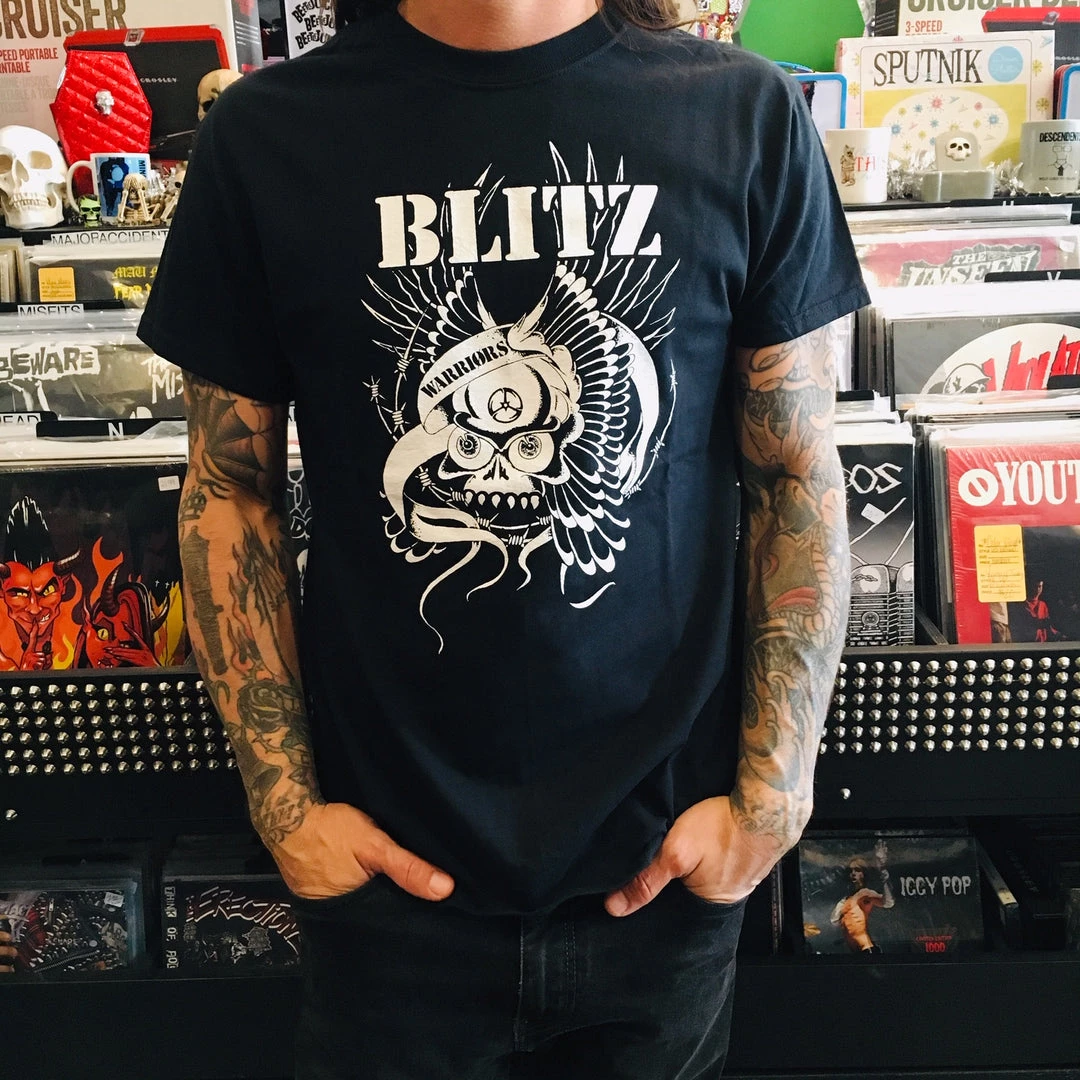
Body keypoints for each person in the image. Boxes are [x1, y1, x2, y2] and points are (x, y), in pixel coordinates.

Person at [138, 0, 868, 1075]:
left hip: (663, 875)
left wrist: (773, 796)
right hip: (386, 884)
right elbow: (229, 486)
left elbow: (796, 471)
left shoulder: (740, 114)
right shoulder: (267, 133)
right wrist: (286, 809)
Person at [830, 858, 894, 954]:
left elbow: (888, 902)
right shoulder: (845, 900)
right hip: (853, 949)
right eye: (851, 870)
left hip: (865, 948)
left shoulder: (865, 893)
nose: (853, 873)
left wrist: (885, 881)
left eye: (857, 870)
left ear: (863, 874)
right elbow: (834, 920)